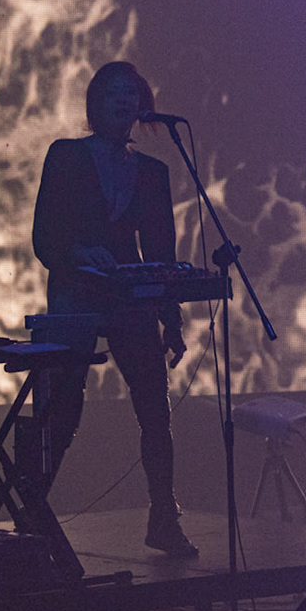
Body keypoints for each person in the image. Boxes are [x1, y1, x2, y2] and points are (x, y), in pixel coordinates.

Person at [32, 60, 194, 556]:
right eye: (113, 92)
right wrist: (81, 254)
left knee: (154, 409)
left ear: (143, 103)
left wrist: (171, 317)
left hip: (129, 297)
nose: (124, 100)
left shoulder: (153, 171)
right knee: (62, 408)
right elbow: (44, 239)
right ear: (94, 103)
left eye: (132, 92)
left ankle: (164, 516)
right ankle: (32, 512)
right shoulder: (65, 156)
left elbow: (161, 252)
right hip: (75, 290)